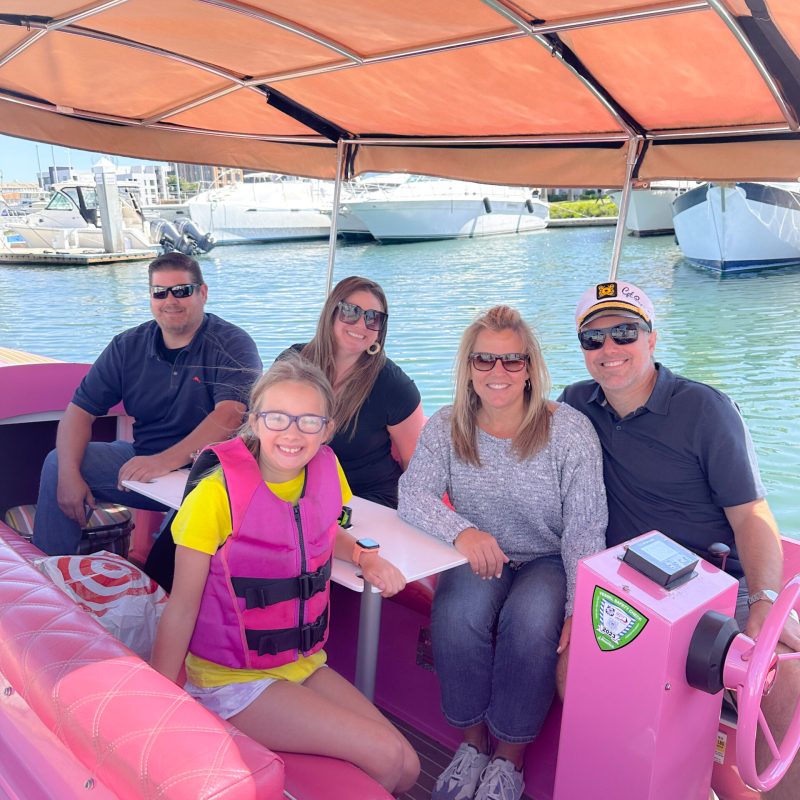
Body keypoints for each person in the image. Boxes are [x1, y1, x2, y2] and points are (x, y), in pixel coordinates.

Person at [559, 279, 800, 800]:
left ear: (652, 338)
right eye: (593, 338)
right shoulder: (576, 405)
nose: (609, 350)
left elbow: (753, 515)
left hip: (715, 586)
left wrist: (762, 601)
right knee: (565, 671)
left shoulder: (706, 411)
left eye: (625, 332)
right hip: (623, 587)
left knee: (784, 683)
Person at [150, 355, 420, 793]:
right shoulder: (213, 497)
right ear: (254, 420)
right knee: (385, 760)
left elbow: (322, 533)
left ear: (328, 429)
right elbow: (181, 608)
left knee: (408, 767)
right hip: (232, 680)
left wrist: (364, 556)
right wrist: (159, 707)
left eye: (309, 421)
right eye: (277, 418)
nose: (292, 434)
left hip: (302, 662)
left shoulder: (327, 469)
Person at [398, 306, 607, 800]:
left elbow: (584, 528)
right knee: (456, 614)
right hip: (480, 551)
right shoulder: (449, 425)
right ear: (468, 368)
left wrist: (580, 607)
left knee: (533, 624)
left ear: (531, 368)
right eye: (485, 360)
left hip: (548, 557)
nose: (498, 373)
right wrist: (463, 532)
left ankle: (508, 760)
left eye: (512, 361)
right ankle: (472, 745)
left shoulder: (570, 432)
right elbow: (413, 495)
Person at [32, 252, 262, 555]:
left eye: (182, 290)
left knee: (165, 563)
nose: (170, 300)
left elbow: (232, 413)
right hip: (145, 461)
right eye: (160, 292)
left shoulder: (232, 343)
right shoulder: (127, 346)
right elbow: (80, 411)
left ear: (203, 293)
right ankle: (51, 578)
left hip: (212, 474)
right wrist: (69, 478)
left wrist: (164, 461)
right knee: (59, 463)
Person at [286, 275, 424, 508]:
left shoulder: (395, 386)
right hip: (297, 491)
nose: (361, 324)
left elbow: (417, 467)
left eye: (373, 318)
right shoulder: (292, 363)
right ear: (332, 312)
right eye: (351, 311)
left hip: (366, 501)